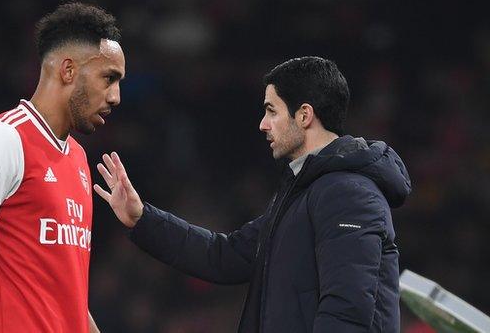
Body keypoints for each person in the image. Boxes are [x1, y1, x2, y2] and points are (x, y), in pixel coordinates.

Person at [94, 57, 411, 332]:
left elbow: (349, 307)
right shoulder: (305, 192)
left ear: (304, 115)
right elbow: (224, 257)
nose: (263, 124)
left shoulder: (349, 193)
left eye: (272, 111)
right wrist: (142, 218)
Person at [0, 2, 125, 333]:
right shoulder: (4, 140)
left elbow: (69, 299)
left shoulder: (78, 159)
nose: (115, 96)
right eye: (109, 78)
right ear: (68, 71)